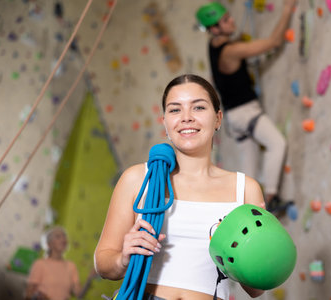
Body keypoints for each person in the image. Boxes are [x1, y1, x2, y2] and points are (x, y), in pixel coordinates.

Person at [94, 74, 265, 300]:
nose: (186, 118)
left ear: (218, 118)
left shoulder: (245, 189)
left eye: (199, 108)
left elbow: (256, 290)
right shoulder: (138, 179)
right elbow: (103, 264)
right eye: (175, 110)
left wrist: (247, 245)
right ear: (165, 122)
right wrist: (123, 259)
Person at [195, 0, 297, 208]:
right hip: (246, 112)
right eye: (225, 20)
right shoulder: (231, 51)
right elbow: (273, 42)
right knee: (277, 144)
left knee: (248, 170)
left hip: (234, 117)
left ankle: (248, 209)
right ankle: (271, 197)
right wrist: (287, 9)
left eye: (228, 16)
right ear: (214, 29)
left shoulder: (214, 46)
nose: (231, 20)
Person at [25, 226, 97, 300]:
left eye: (64, 236)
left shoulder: (71, 266)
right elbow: (28, 295)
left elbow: (79, 295)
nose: (63, 239)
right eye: (58, 236)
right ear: (49, 244)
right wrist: (37, 297)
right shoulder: (39, 264)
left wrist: (89, 278)